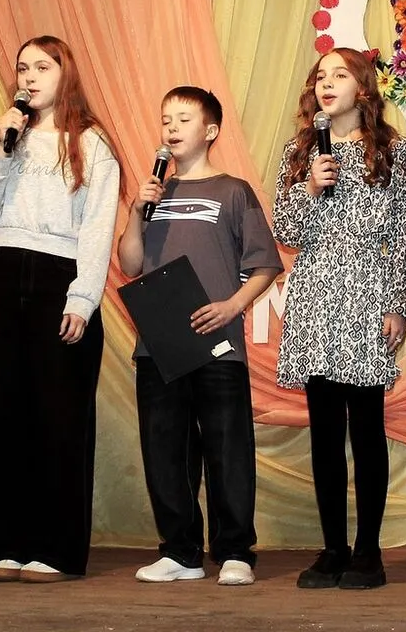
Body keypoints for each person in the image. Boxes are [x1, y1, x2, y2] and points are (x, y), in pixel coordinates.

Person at [0, 35, 121, 583]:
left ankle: (55, 548)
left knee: (58, 416)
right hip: (3, 271)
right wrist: (2, 150)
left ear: (65, 73)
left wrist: (82, 297)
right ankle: (3, 543)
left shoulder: (92, 144)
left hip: (61, 275)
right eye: (22, 68)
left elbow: (98, 228)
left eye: (41, 67)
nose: (28, 77)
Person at [117, 87, 282, 586]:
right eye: (165, 119)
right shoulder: (154, 194)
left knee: (227, 449)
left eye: (183, 119)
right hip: (159, 343)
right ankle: (180, 552)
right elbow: (129, 264)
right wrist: (135, 211)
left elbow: (265, 264)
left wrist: (232, 305)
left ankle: (234, 551)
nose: (171, 128)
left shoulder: (233, 191)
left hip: (217, 342)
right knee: (165, 450)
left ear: (210, 131)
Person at [272, 48, 406, 590]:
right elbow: (286, 230)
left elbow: (403, 234)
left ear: (364, 88)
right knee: (326, 432)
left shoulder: (394, 152)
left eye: (340, 75)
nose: (327, 83)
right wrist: (309, 186)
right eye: (321, 76)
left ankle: (368, 551)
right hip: (314, 293)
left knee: (367, 428)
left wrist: (397, 304)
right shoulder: (299, 151)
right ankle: (333, 547)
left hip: (367, 291)